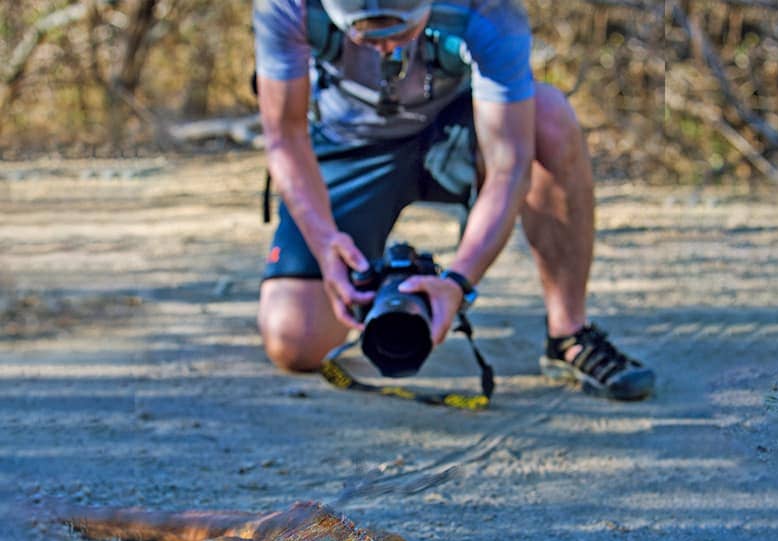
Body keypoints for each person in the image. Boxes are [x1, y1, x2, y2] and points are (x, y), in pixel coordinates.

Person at [253, 0, 655, 401]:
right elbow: (285, 136)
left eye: (399, 32)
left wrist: (460, 281)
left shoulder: (486, 9)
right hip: (348, 146)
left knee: (547, 114)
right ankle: (370, 294)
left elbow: (508, 166)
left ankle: (569, 333)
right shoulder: (290, 6)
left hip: (457, 130)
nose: (386, 48)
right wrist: (324, 243)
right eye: (363, 34)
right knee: (296, 341)